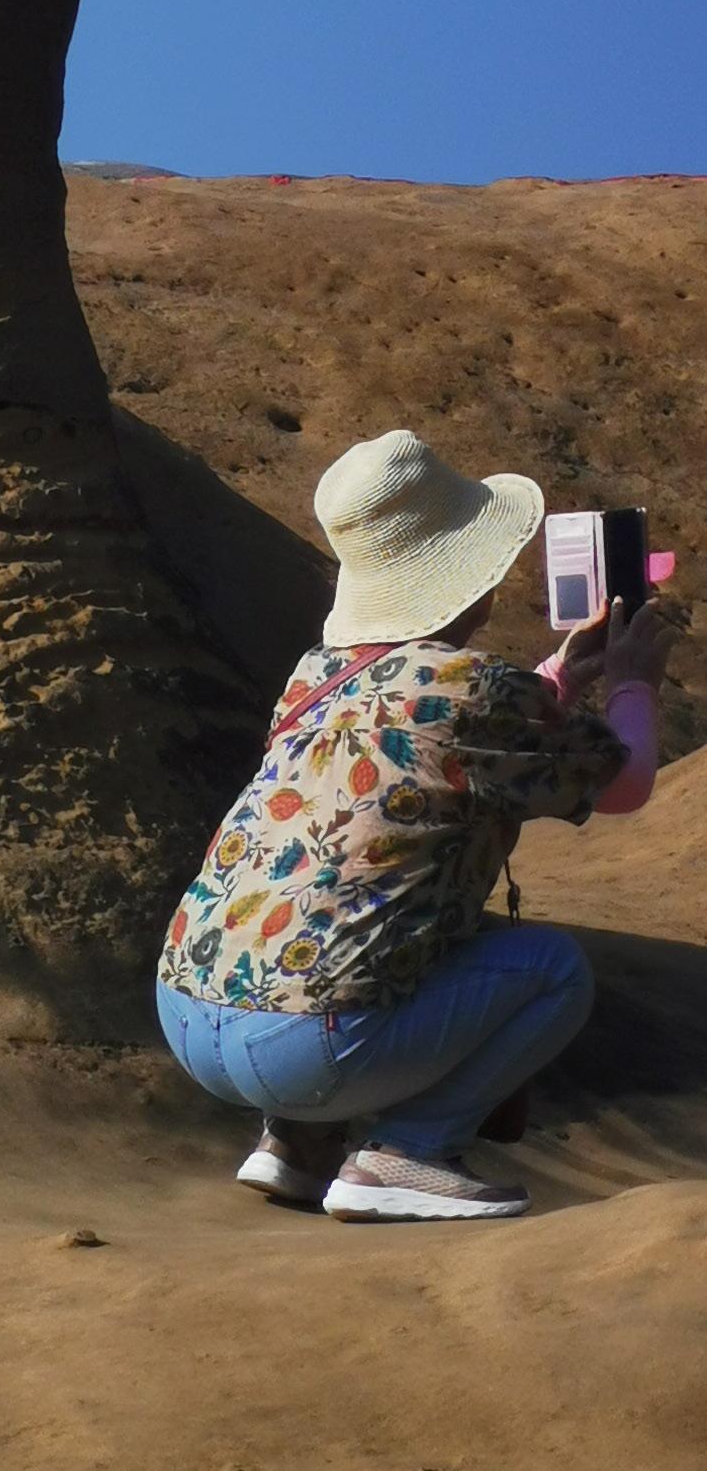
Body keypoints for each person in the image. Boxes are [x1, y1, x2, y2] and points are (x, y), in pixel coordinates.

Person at [156, 426, 681, 1222]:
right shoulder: (475, 688)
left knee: (345, 909)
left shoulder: (316, 674)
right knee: (553, 970)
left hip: (189, 1011)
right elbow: (626, 782)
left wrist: (561, 677)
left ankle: (294, 1145)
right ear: (472, 577)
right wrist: (633, 681)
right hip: (303, 1046)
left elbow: (438, 734)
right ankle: (407, 1155)